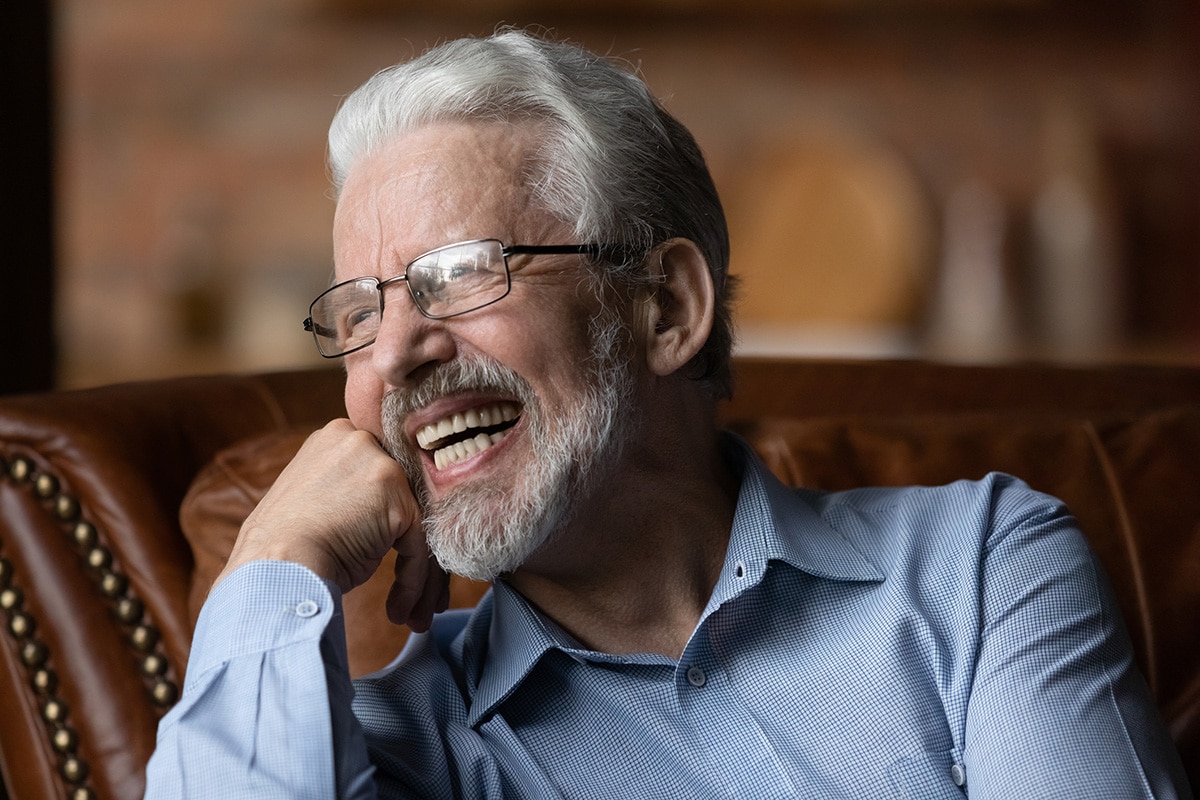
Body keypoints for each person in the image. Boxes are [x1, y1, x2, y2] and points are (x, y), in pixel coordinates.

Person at [145, 29, 1192, 799]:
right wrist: (274, 555)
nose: (397, 350)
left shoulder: (982, 572)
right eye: (362, 311)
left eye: (459, 275)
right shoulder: (398, 750)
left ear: (665, 308)